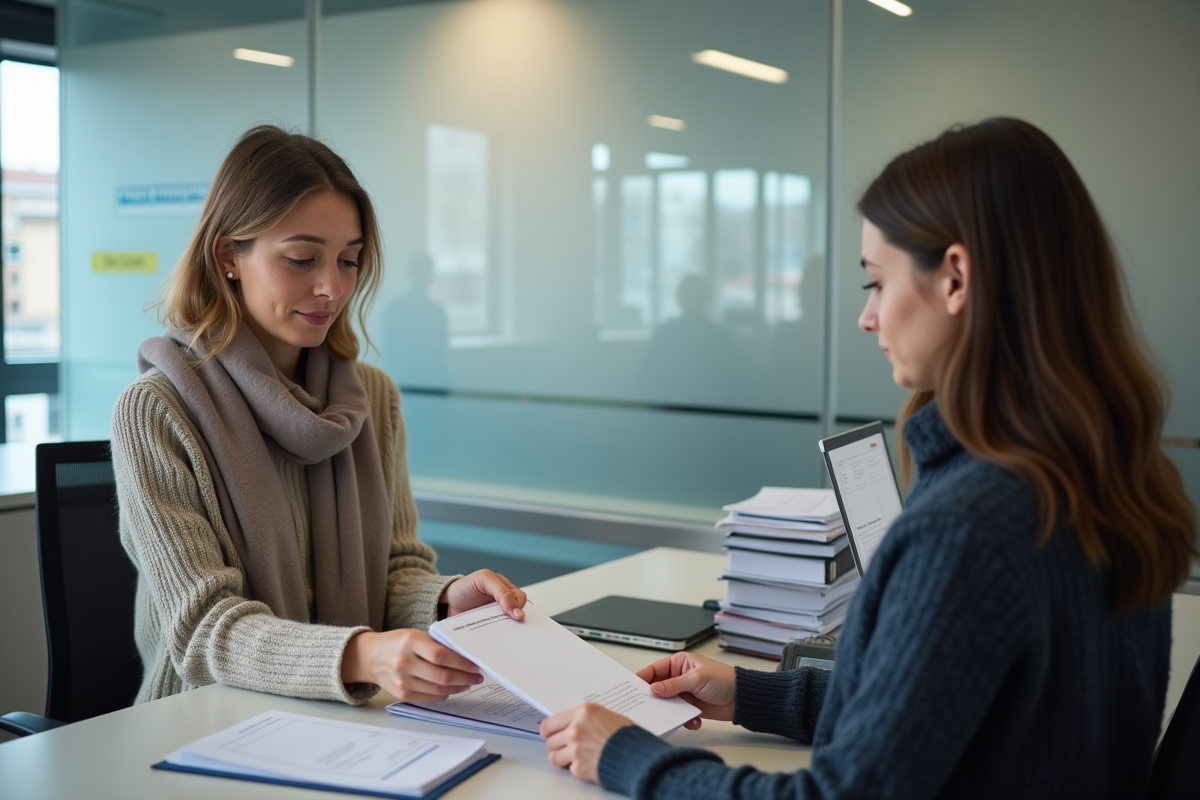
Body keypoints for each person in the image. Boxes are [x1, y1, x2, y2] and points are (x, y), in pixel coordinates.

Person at [539, 117, 1198, 798]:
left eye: (876, 283)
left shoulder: (967, 529)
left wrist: (627, 755)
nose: (867, 316)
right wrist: (755, 695)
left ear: (955, 278)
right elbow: (953, 709)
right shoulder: (1112, 476)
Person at [111, 125, 525, 707]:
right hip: (203, 719)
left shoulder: (370, 400)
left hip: (347, 717)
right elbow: (203, 630)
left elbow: (394, 571)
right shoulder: (157, 410)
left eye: (349, 261)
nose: (332, 287)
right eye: (302, 259)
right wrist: (362, 655)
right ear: (229, 255)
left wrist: (446, 599)